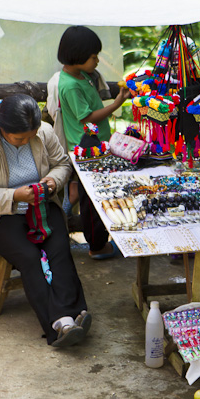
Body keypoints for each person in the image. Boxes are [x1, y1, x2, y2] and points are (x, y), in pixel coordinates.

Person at [0, 94, 91, 348]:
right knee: (30, 257)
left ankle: (72, 317)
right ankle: (60, 324)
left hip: (40, 204)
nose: (28, 140)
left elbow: (62, 164)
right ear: (2, 128)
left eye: (31, 135)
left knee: (59, 248)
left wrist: (53, 181)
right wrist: (14, 195)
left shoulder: (44, 132)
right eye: (20, 138)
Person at [56, 25, 131, 260]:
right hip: (86, 149)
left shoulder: (82, 76)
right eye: (93, 56)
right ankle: (97, 246)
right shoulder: (70, 84)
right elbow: (87, 118)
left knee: (95, 193)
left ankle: (74, 194)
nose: (97, 60)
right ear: (77, 56)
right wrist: (117, 103)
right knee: (93, 201)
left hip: (94, 143)